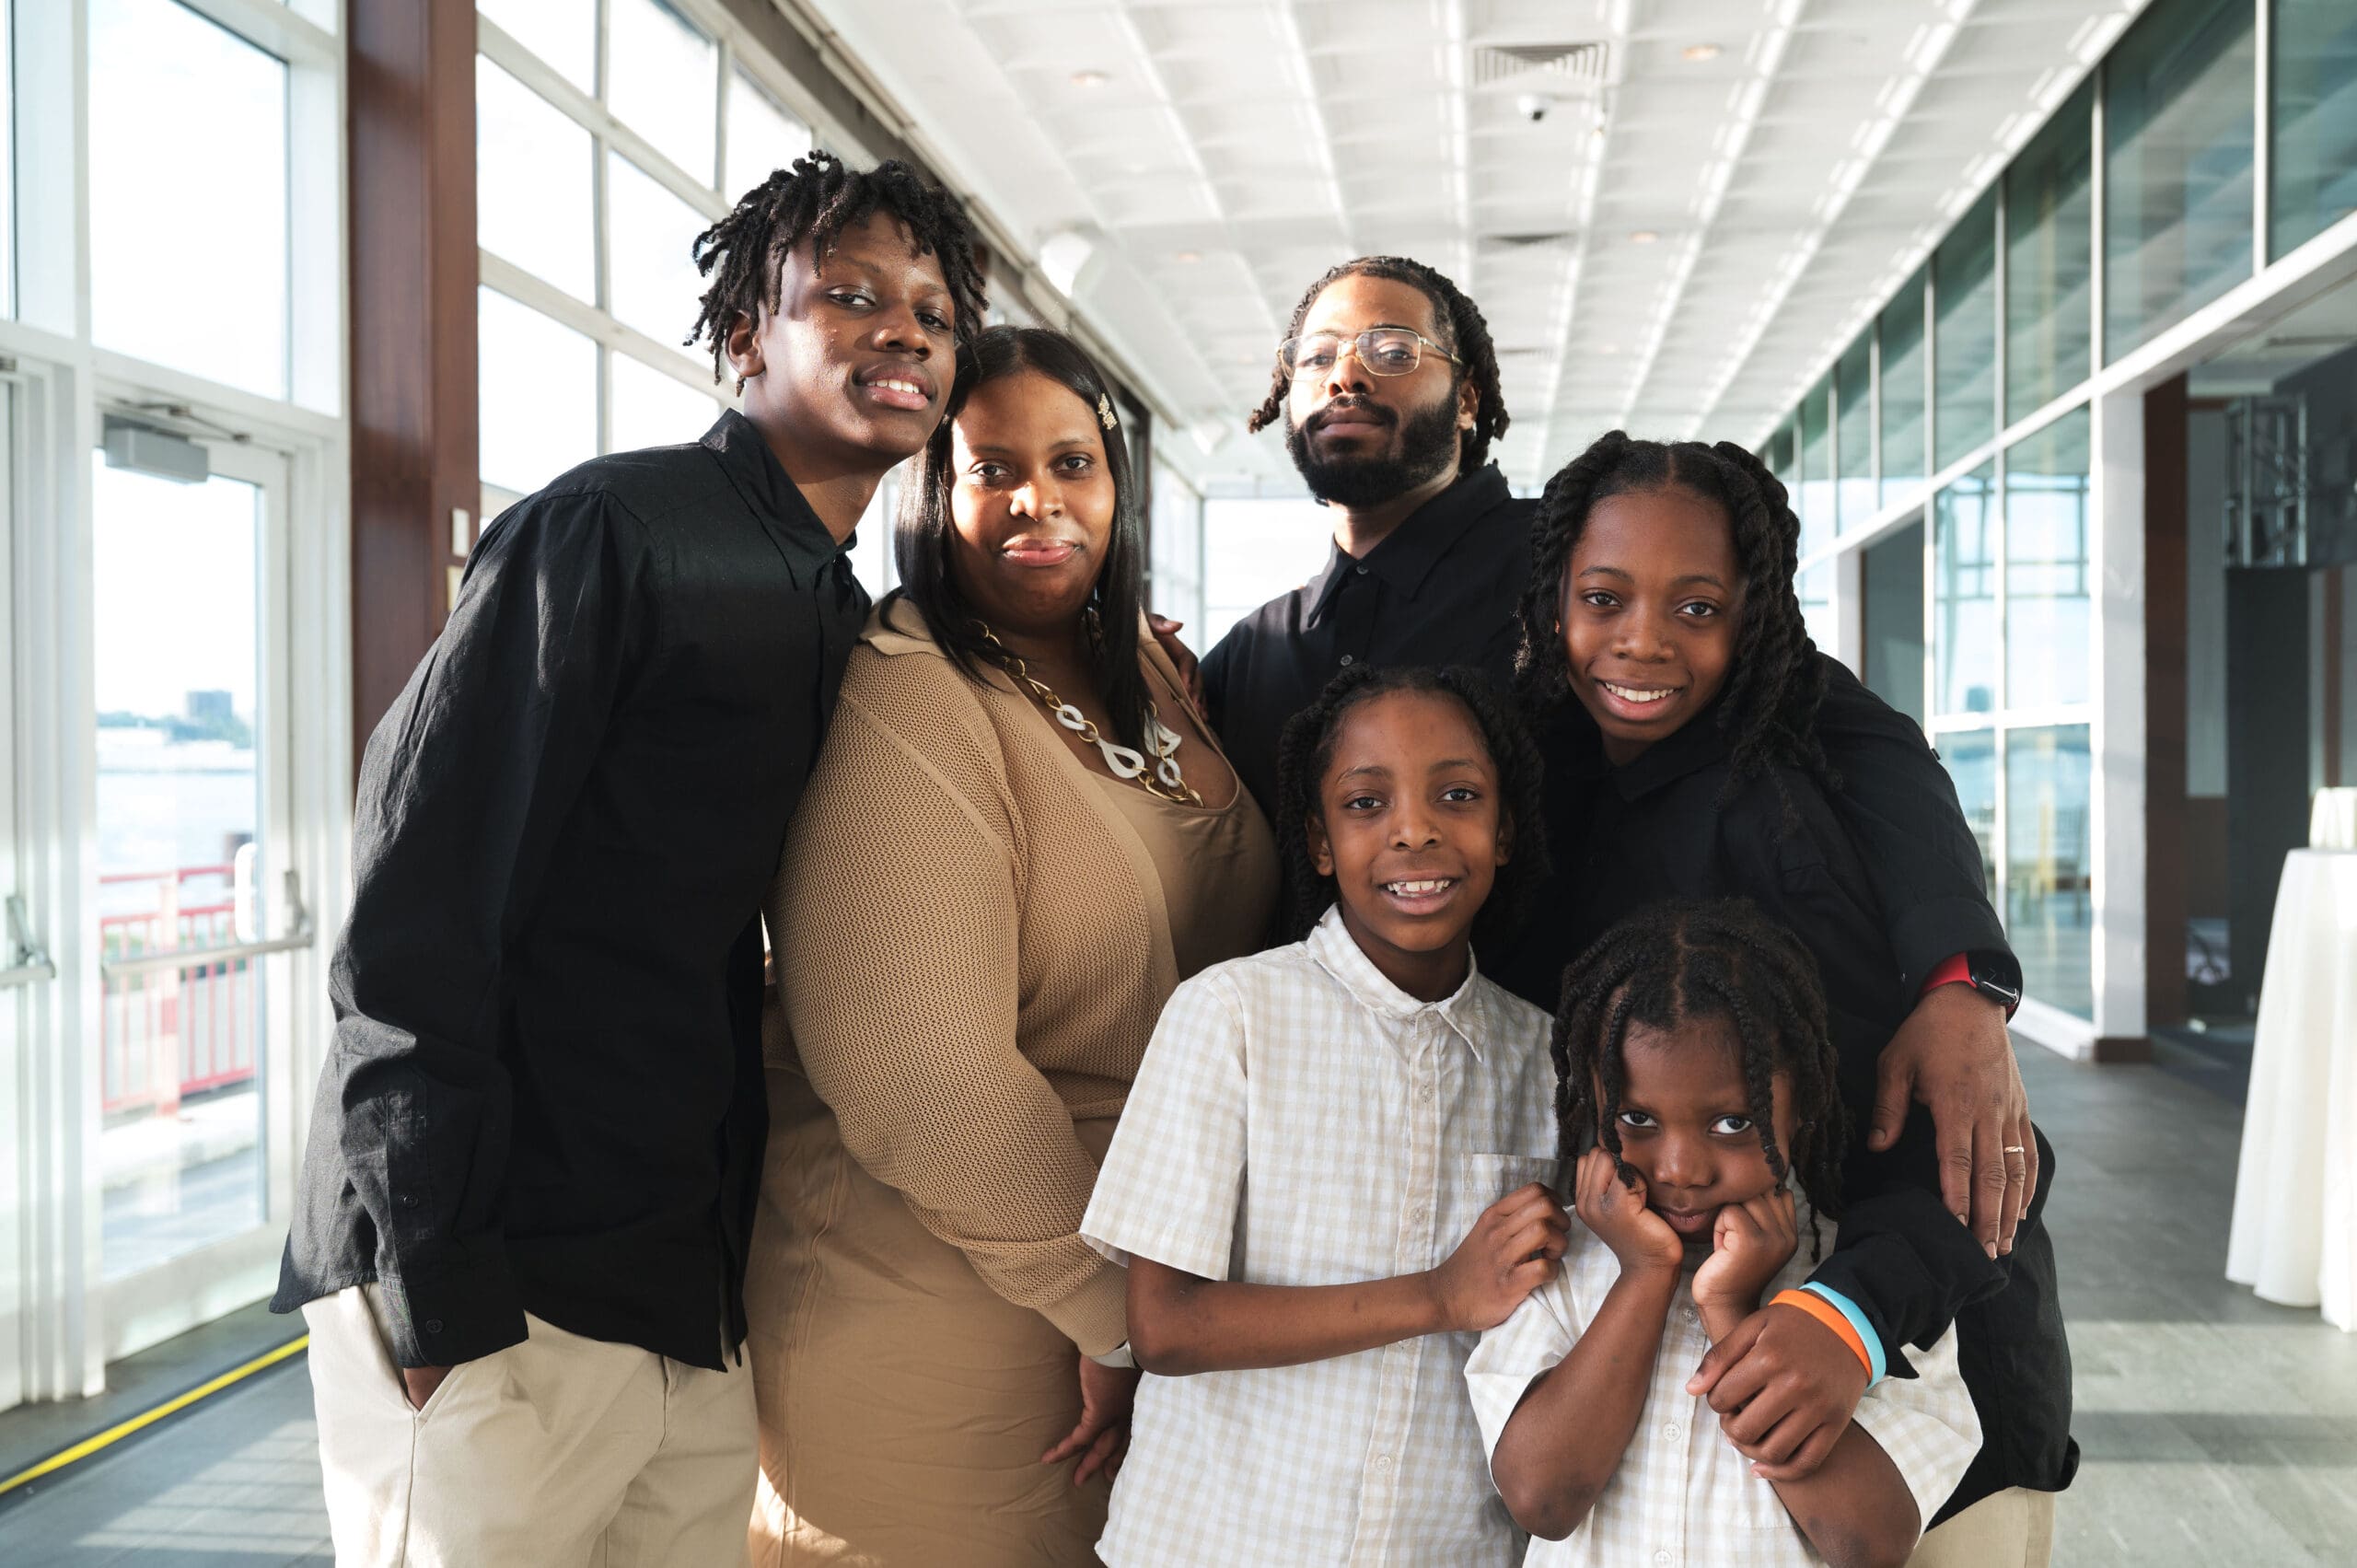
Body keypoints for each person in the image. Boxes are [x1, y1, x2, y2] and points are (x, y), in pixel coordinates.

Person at [272, 152, 986, 1567]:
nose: (904, 328)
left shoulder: (841, 614)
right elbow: (418, 897)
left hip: (682, 1287)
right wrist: (430, 1279)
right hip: (499, 1273)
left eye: (934, 311)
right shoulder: (613, 529)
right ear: (746, 338)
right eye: (850, 295)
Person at [1197, 255, 2041, 1275]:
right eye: (1319, 356)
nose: (1346, 376)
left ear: (1466, 395)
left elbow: (1862, 740)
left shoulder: (1576, 556)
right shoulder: (1255, 652)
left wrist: (1959, 979)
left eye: (1389, 349)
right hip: (1342, 1140)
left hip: (1594, 1128)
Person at [747, 325, 1277, 1566]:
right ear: (934, 492)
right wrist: (1124, 1318)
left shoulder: (1141, 666)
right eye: (991, 469)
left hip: (1139, 1301)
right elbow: (924, 1083)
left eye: (1073, 461)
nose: (1038, 499)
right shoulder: (911, 693)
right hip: (954, 1320)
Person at [1492, 431, 2073, 1563]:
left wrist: (1847, 1311)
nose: (1643, 640)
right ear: (1551, 597)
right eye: (1603, 596)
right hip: (1688, 1453)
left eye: (1696, 607)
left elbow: (1957, 1145)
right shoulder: (1560, 766)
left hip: (1909, 1431)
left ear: (1753, 615)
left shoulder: (1788, 803)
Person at [1081, 664, 1567, 1566]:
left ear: (1503, 831)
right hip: (1219, 1542)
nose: (1414, 828)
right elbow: (1166, 1324)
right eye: (1365, 802)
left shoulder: (1545, 1060)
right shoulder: (1230, 1015)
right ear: (1316, 839)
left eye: (1456, 795)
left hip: (1449, 1544)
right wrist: (1438, 1293)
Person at [1471, 900, 1982, 1568]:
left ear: (1800, 1105)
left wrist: (1730, 1311)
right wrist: (1645, 1274)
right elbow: (1542, 1497)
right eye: (1636, 1117)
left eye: (1732, 1122)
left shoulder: (1866, 1282)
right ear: (1592, 1101)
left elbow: (1866, 1542)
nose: (1681, 1169)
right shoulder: (1561, 1263)